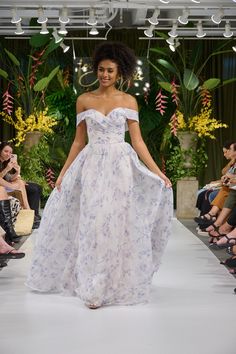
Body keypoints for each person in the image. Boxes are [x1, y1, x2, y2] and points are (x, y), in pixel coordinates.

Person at [26, 42, 173, 309]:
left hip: (120, 167)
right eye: (102, 70)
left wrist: (158, 172)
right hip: (92, 165)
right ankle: (93, 285)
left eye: (111, 71)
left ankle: (113, 283)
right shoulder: (84, 99)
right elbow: (77, 142)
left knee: (117, 223)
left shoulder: (129, 101)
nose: (105, 75)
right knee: (94, 222)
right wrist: (63, 173)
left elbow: (138, 142)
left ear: (120, 73)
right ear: (96, 70)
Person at [0, 142, 42, 227]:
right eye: (6, 151)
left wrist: (17, 171)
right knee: (32, 188)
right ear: (0, 151)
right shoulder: (4, 164)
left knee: (36, 187)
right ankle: (30, 214)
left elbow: (9, 178)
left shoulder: (5, 162)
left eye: (10, 152)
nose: (8, 154)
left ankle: (33, 214)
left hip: (7, 184)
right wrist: (8, 170)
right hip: (4, 188)